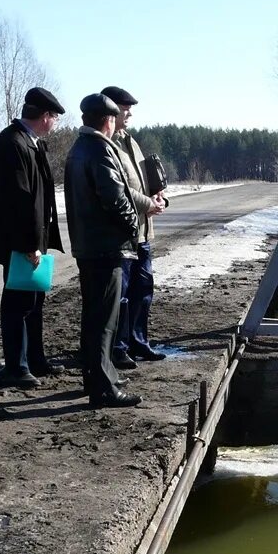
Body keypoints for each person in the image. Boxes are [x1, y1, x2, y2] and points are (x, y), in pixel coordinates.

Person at [0, 87, 66, 388]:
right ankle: (17, 367)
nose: (55, 123)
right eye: (54, 117)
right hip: (20, 243)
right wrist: (29, 245)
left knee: (34, 299)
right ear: (45, 117)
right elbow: (18, 199)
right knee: (18, 303)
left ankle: (35, 359)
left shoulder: (29, 143)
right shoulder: (13, 143)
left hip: (31, 241)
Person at [63, 93, 142, 408]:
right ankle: (103, 387)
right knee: (104, 320)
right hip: (104, 246)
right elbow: (114, 197)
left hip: (88, 245)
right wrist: (132, 225)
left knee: (94, 317)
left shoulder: (79, 148)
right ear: (108, 121)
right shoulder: (99, 150)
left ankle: (99, 376)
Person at [102, 85, 167, 369]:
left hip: (142, 232)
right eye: (125, 109)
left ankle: (139, 342)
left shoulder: (130, 141)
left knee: (144, 289)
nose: (129, 114)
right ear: (110, 110)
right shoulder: (105, 144)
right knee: (122, 294)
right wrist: (146, 203)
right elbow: (120, 189)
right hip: (123, 234)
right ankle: (119, 347)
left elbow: (140, 181)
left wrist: (158, 196)